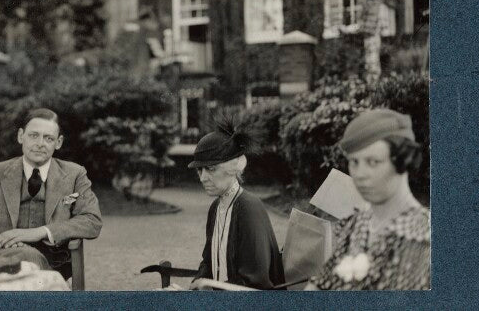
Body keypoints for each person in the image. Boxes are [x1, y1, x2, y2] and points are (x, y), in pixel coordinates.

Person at [0, 108, 102, 279]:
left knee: (29, 259)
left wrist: (40, 232)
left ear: (59, 142)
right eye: (34, 135)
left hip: (52, 263)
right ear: (21, 136)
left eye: (48, 138)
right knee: (23, 262)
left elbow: (92, 220)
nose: (40, 143)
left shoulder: (74, 174)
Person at [306, 108, 430, 290]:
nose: (360, 174)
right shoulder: (355, 225)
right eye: (354, 162)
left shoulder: (424, 238)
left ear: (403, 161)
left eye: (373, 162)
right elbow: (317, 287)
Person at [183, 120, 285, 290]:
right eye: (200, 170)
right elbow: (208, 263)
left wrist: (210, 292)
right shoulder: (216, 207)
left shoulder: (249, 208)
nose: (202, 178)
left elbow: (256, 282)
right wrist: (192, 290)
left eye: (210, 169)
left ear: (231, 168)